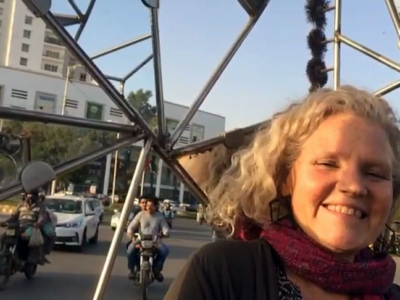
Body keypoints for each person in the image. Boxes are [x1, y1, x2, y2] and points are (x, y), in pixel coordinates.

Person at [166, 86, 400, 299]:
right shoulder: (223, 273)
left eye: (376, 173)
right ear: (286, 179)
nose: (354, 186)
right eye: (328, 163)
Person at [126, 196, 170, 282]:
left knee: (164, 251)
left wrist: (165, 233)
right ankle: (132, 270)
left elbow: (165, 228)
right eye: (147, 205)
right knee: (130, 250)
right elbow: (131, 226)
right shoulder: (140, 214)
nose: (148, 207)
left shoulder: (160, 217)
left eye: (151, 206)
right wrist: (130, 232)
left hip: (155, 241)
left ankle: (157, 270)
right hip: (141, 240)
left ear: (156, 206)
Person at [1, 190, 48, 265]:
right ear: (26, 196)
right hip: (19, 226)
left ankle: (28, 260)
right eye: (29, 195)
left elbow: (42, 217)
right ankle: (4, 253)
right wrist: (6, 222)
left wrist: (38, 223)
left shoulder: (40, 206)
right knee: (4, 236)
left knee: (27, 240)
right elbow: (14, 217)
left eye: (32, 195)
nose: (30, 197)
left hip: (31, 227)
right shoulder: (21, 205)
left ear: (36, 196)